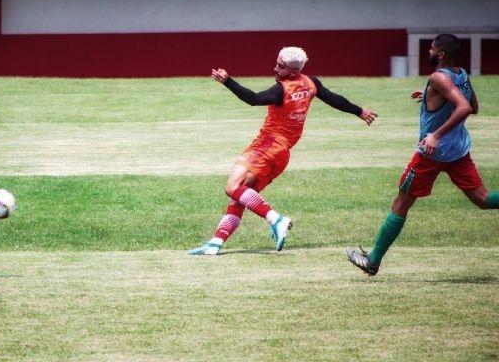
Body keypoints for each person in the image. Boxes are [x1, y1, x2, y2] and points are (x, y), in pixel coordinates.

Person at [190, 47, 377, 255]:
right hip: (282, 153)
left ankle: (276, 219)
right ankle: (216, 243)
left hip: (267, 146)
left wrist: (227, 81)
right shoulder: (311, 83)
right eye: (277, 63)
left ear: (294, 72)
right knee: (241, 195)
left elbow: (253, 99)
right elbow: (335, 99)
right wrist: (359, 111)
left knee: (232, 187)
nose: (275, 68)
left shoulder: (281, 90)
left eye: (281, 66)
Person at [346, 34, 498, 275]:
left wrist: (435, 135)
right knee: (483, 199)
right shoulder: (461, 73)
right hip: (458, 151)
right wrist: (431, 94)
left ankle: (372, 261)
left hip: (432, 153)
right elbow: (473, 105)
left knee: (400, 204)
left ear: (441, 54)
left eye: (431, 49)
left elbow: (466, 108)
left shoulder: (438, 77)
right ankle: (373, 260)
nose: (428, 52)